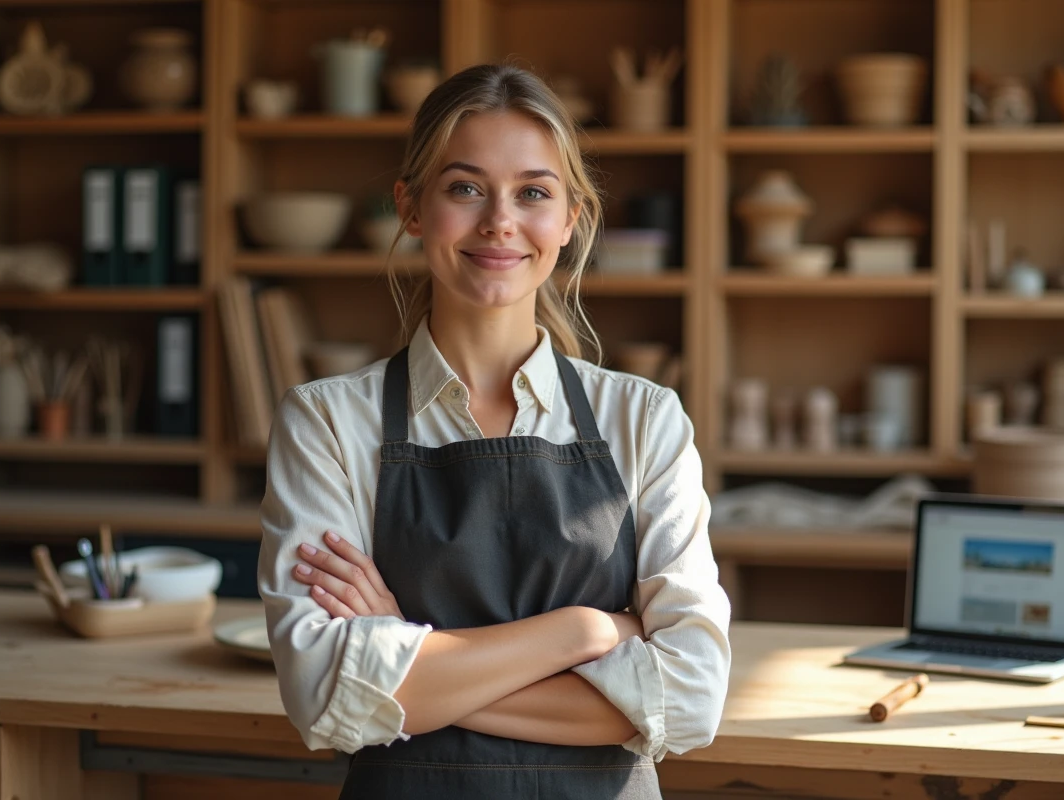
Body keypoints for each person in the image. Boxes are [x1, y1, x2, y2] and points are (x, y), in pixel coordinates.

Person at [259, 63, 731, 799]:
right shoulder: (325, 420)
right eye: (465, 188)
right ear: (411, 207)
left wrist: (409, 662)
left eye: (534, 193)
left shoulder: (644, 419)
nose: (499, 222)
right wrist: (587, 634)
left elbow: (694, 699)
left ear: (571, 219)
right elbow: (323, 697)